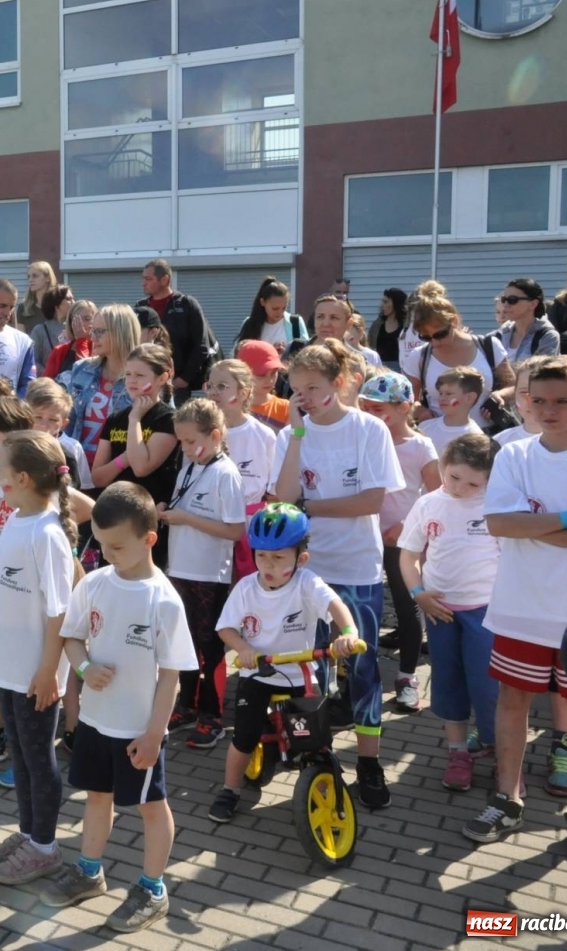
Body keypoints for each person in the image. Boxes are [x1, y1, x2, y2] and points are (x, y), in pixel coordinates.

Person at [465, 356, 567, 870]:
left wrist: (533, 523)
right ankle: (508, 800)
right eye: (540, 400)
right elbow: (498, 525)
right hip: (520, 607)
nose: (550, 410)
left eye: (563, 401)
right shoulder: (514, 455)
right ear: (526, 400)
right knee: (512, 701)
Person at [48, 482, 194, 932]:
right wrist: (83, 667)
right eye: (101, 542)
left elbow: (171, 674)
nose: (106, 553)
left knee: (152, 807)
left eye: (117, 545)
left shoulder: (163, 600)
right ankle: (89, 872)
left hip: (138, 728)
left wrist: (154, 733)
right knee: (97, 797)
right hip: (96, 720)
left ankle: (153, 888)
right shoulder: (93, 583)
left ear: (149, 539)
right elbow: (71, 637)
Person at [271, 342, 405, 809]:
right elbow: (283, 499)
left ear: (341, 382)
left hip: (356, 567)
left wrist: (309, 508)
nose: (304, 396)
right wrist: (296, 436)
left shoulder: (369, 428)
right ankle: (320, 755)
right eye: (297, 387)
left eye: (315, 388)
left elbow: (370, 501)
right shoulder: (294, 431)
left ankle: (368, 761)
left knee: (362, 668)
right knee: (312, 667)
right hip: (308, 567)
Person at [0, 430, 76, 887]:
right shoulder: (18, 519)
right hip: (8, 664)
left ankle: (45, 847)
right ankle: (29, 834)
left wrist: (49, 670)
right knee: (20, 754)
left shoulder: (48, 534)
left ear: (26, 479)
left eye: (3, 471)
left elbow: (60, 611)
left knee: (37, 758)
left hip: (35, 671)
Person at [209, 504, 361, 823]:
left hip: (299, 671)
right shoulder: (246, 588)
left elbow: (335, 605)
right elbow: (225, 627)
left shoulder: (306, 583)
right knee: (244, 736)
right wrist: (244, 648)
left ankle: (323, 782)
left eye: (278, 558)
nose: (268, 564)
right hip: (258, 672)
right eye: (261, 555)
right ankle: (230, 789)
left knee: (316, 740)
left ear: (300, 558)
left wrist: (348, 632)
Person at [398, 432, 501, 792]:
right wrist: (418, 593)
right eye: (454, 477)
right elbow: (408, 556)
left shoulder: (497, 506)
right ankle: (458, 752)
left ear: (490, 481)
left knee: (490, 688)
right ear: (443, 465)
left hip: (486, 613)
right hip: (439, 612)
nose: (460, 488)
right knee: (448, 682)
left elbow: (513, 559)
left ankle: (500, 750)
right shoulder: (428, 504)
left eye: (474, 483)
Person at [160, 398, 247, 749]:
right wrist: (168, 510)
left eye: (189, 440)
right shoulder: (191, 464)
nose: (184, 447)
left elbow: (235, 531)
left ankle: (212, 717)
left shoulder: (225, 474)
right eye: (180, 440)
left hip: (209, 574)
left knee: (209, 648)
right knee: (183, 643)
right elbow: (185, 505)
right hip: (180, 568)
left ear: (214, 435)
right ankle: (187, 704)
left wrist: (186, 519)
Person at [357, 371, 439, 713]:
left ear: (405, 407)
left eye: (377, 410)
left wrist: (407, 526)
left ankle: (407, 676)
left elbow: (436, 494)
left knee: (408, 609)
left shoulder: (421, 445)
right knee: (361, 609)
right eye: (365, 408)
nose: (369, 416)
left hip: (403, 542)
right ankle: (357, 674)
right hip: (363, 538)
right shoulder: (362, 438)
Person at [89, 344, 182, 567]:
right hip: (114, 516)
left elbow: (142, 467)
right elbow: (98, 477)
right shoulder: (114, 419)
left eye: (140, 375)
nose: (132, 380)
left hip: (146, 520)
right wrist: (125, 458)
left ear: (163, 377)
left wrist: (135, 420)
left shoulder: (168, 419)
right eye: (128, 374)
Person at [205, 358, 278, 581]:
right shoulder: (202, 433)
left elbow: (273, 489)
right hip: (213, 522)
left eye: (223, 386)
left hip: (251, 525)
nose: (215, 393)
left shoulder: (263, 435)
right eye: (211, 386)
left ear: (244, 393)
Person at [402, 294, 514, 430]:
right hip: (439, 436)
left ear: (454, 321)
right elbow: (406, 399)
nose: (435, 343)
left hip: (487, 434)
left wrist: (499, 395)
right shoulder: (419, 356)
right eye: (426, 337)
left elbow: (514, 386)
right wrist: (419, 411)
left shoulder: (489, 346)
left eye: (440, 335)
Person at [64, 304, 136, 460]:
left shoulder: (145, 376)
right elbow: (67, 424)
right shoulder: (81, 369)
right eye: (93, 331)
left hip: (120, 472)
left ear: (121, 332)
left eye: (100, 332)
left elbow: (162, 426)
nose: (93, 337)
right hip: (80, 469)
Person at [137, 259, 214, 401]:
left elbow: (202, 345)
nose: (143, 282)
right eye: (143, 278)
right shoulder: (141, 308)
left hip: (176, 385)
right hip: (146, 381)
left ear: (165, 280)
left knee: (174, 421)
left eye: (148, 278)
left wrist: (184, 378)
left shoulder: (186, 305)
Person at [234, 277, 308, 360]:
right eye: (275, 308)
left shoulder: (295, 322)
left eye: (284, 308)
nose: (280, 312)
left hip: (289, 371)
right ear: (262, 302)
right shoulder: (249, 323)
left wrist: (288, 351)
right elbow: (239, 356)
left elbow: (307, 354)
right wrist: (270, 351)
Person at [494, 278, 559, 369]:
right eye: (504, 299)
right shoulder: (498, 335)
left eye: (512, 299)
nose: (506, 304)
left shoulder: (547, 336)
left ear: (533, 304)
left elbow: (542, 375)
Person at [419, 367, 484, 454]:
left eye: (448, 394)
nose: (442, 398)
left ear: (470, 397)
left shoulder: (476, 437)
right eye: (441, 393)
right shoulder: (425, 427)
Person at [311, 293, 380, 368]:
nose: (325, 323)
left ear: (349, 324)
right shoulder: (297, 352)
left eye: (334, 317)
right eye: (320, 316)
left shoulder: (356, 362)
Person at [235, 339, 289, 429]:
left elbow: (300, 436)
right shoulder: (229, 406)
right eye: (261, 375)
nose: (270, 380)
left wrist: (298, 428)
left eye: (274, 373)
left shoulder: (286, 407)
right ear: (243, 373)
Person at [44, 299, 95, 383]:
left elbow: (85, 376)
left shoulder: (101, 350)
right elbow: (46, 383)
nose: (81, 323)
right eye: (76, 319)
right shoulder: (59, 351)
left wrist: (82, 340)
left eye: (87, 319)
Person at [29, 285, 75, 375]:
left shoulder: (76, 328)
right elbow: (32, 361)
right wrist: (50, 376)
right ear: (56, 304)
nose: (73, 302)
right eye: (68, 299)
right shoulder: (39, 331)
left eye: (73, 298)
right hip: (50, 385)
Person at [17, 261, 60, 336]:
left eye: (35, 276)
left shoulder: (59, 306)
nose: (30, 280)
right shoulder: (23, 308)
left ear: (48, 278)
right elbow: (21, 339)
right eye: (29, 276)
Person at [369, 288, 408, 369]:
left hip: (400, 368)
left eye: (386, 302)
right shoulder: (377, 324)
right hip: (379, 367)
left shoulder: (406, 325)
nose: (382, 305)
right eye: (382, 301)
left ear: (396, 304)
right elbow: (369, 344)